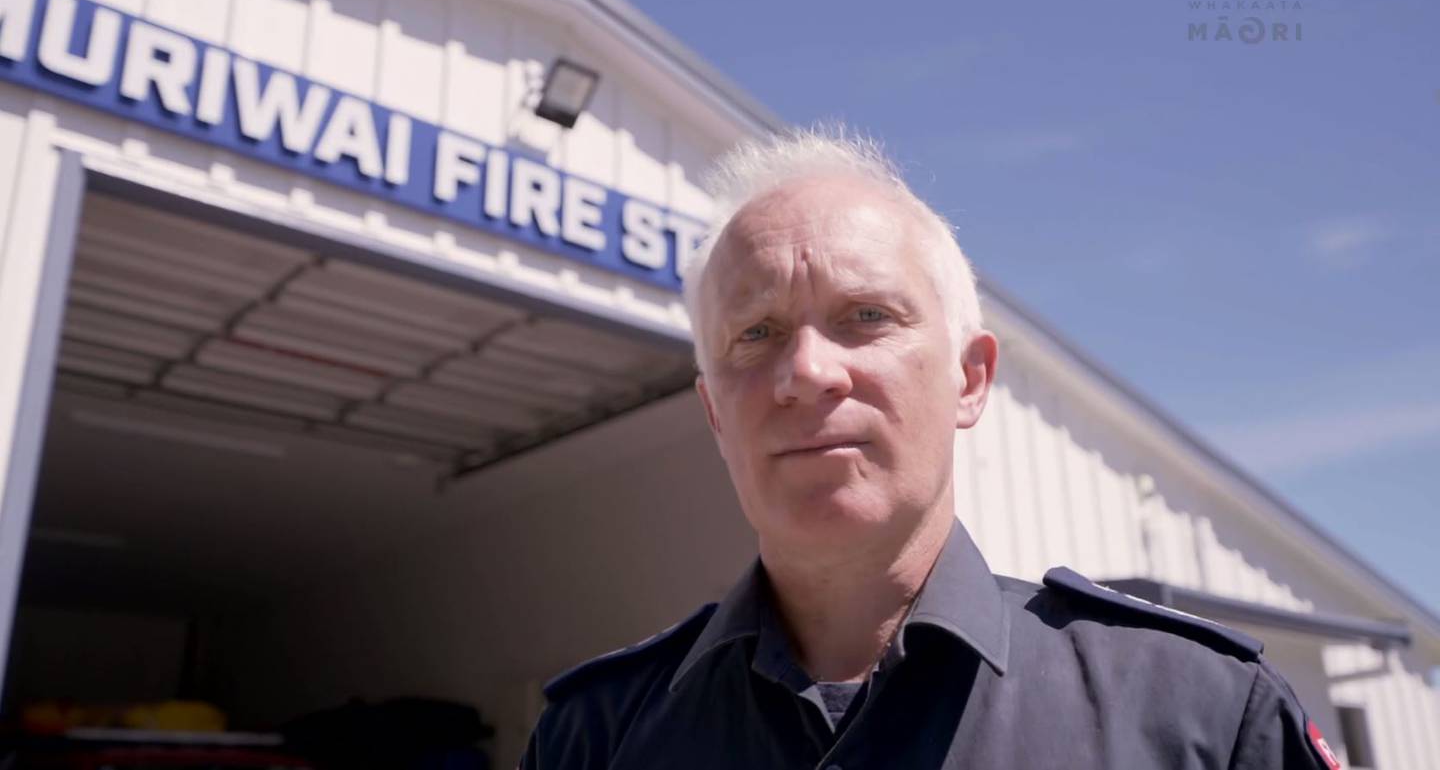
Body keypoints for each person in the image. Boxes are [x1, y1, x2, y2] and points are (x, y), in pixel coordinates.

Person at [519, 128, 1342, 770]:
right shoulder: (592, 739)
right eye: (757, 332)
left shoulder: (1196, 715)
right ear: (714, 416)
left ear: (970, 379)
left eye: (867, 316)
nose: (806, 372)